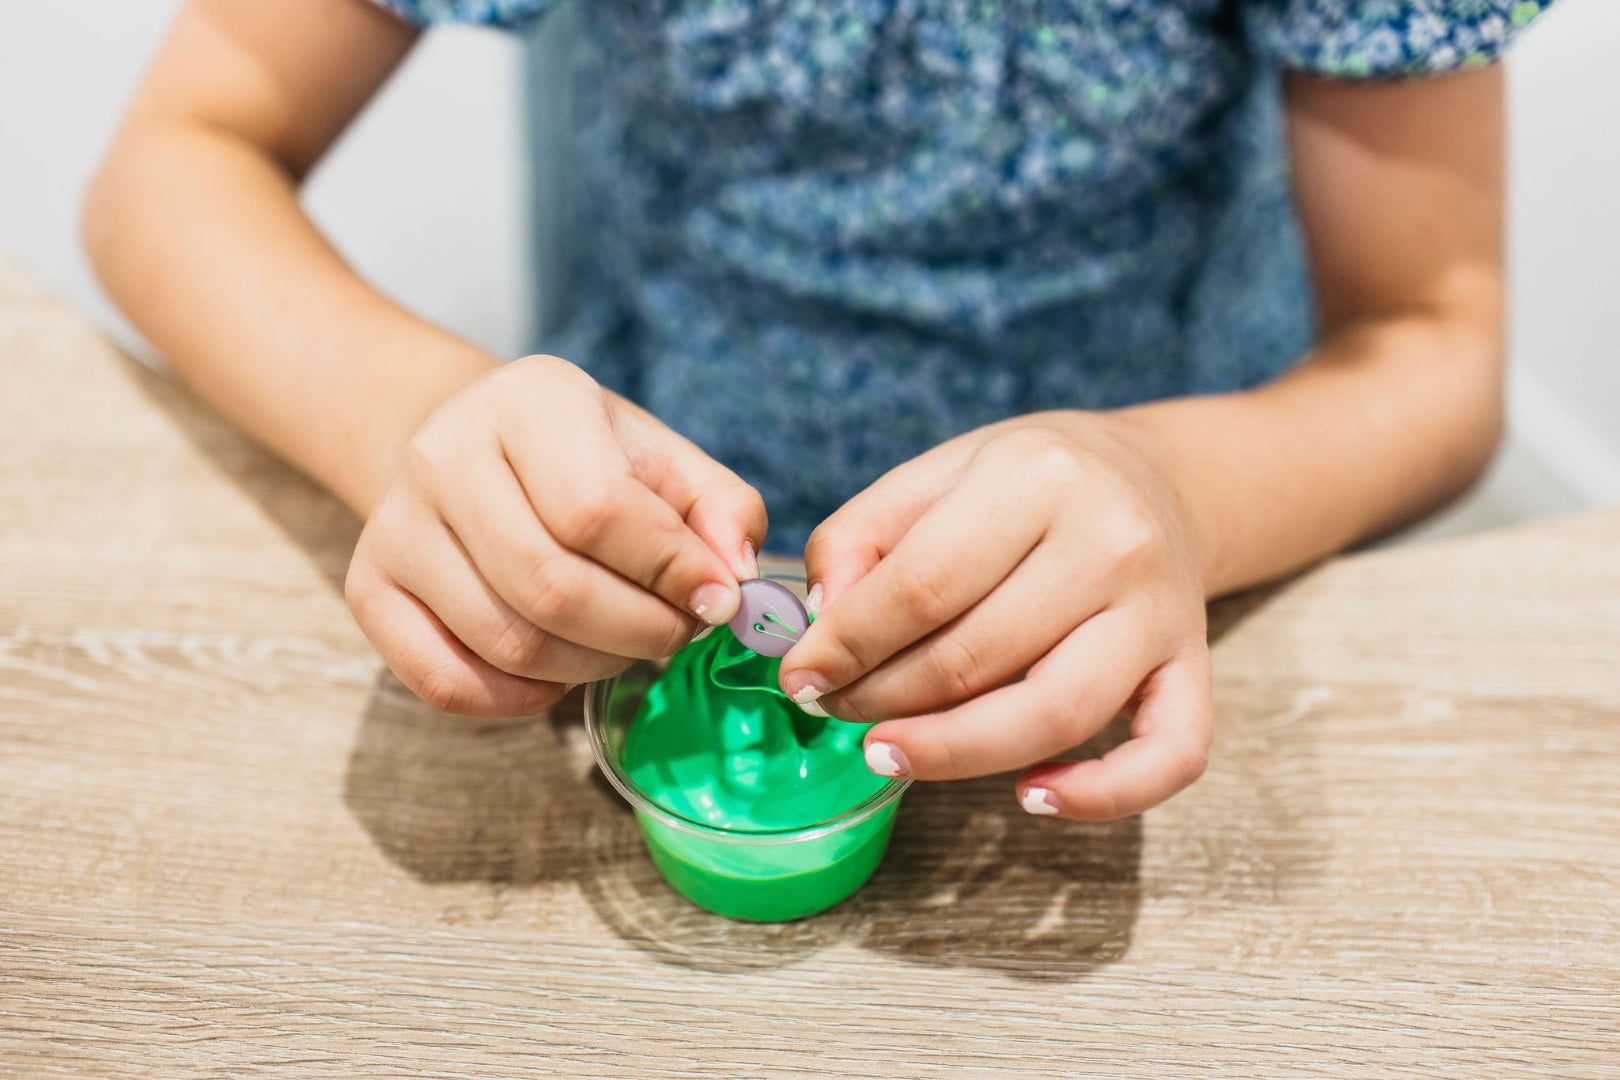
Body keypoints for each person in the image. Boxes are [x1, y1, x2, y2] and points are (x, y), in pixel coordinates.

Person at [83, 0, 1549, 823]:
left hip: (1136, 570)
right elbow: (176, 164)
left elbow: (1427, 348)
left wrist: (1172, 489)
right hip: (644, 540)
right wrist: (416, 417)